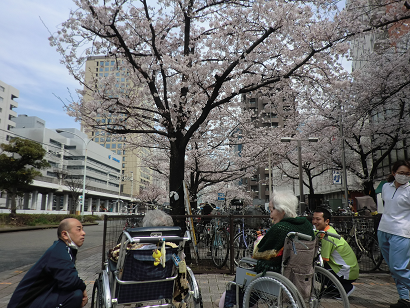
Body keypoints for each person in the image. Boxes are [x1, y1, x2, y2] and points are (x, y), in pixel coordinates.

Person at [221, 191, 314, 308]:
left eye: (271, 211)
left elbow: (259, 253)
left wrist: (258, 242)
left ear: (282, 210)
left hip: (278, 274)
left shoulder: (280, 228)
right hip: (301, 274)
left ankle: (229, 304)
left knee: (240, 275)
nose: (270, 216)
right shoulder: (306, 225)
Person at [8, 218, 87, 308]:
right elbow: (70, 281)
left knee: (74, 292)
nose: (83, 233)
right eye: (79, 229)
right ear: (65, 234)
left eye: (82, 229)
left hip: (38, 299)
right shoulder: (59, 251)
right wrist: (83, 287)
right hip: (25, 304)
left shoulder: (63, 248)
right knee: (75, 295)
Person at [377, 160, 410, 308]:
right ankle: (404, 298)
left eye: (408, 174)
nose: (404, 176)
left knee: (398, 267)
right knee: (393, 268)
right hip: (383, 229)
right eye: (401, 173)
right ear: (393, 173)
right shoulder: (385, 187)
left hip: (402, 232)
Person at [312, 208, 359, 297]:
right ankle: (333, 288)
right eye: (313, 218)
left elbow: (324, 259)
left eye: (318, 219)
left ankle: (346, 288)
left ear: (327, 221)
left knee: (315, 270)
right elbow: (313, 234)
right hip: (347, 268)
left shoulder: (328, 236)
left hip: (348, 271)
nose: (314, 221)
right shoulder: (325, 230)